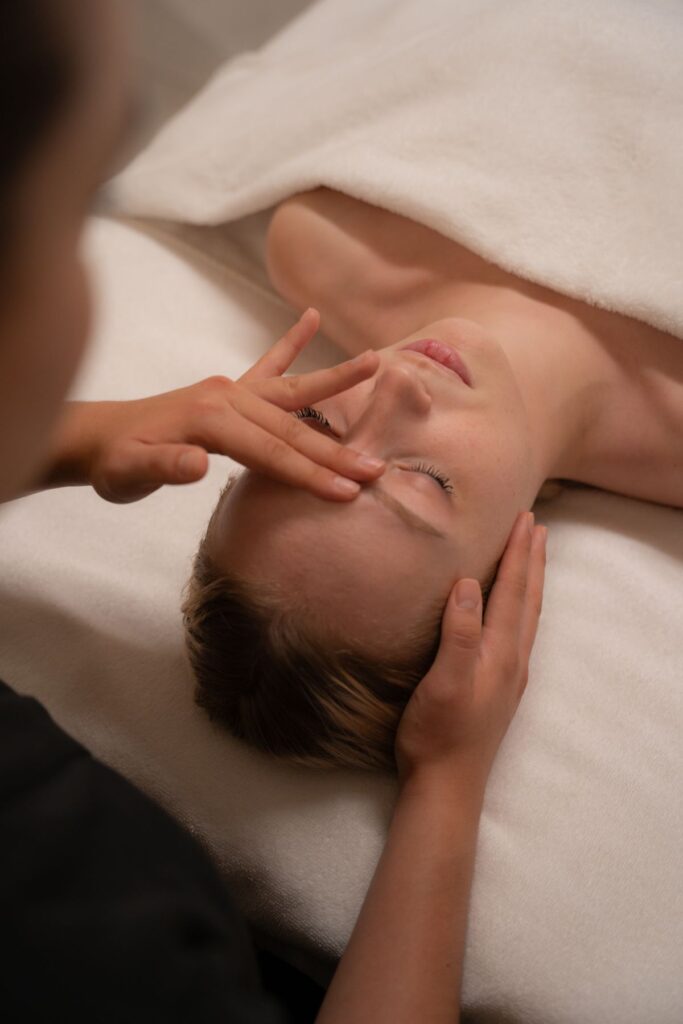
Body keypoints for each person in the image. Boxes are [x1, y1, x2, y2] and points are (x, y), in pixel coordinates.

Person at [2, 1, 549, 1021]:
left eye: (323, 435)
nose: (386, 388)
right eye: (82, 203)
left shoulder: (329, 244)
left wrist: (69, 437)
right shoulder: (75, 951)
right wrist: (445, 787)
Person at [181, 184, 683, 773]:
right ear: (505, 581)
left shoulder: (327, 241)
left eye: (314, 426)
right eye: (423, 480)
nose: (394, 386)